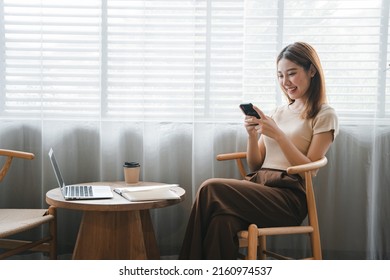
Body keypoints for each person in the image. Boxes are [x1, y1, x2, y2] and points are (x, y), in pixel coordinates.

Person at [179, 41, 339, 260]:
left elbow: (308, 170)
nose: (286, 82)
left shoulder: (324, 114)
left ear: (312, 70)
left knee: (209, 188)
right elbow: (255, 165)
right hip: (259, 185)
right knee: (220, 222)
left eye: (291, 73)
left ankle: (187, 267)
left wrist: (279, 135)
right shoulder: (279, 112)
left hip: (288, 197)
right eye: (280, 76)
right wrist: (253, 137)